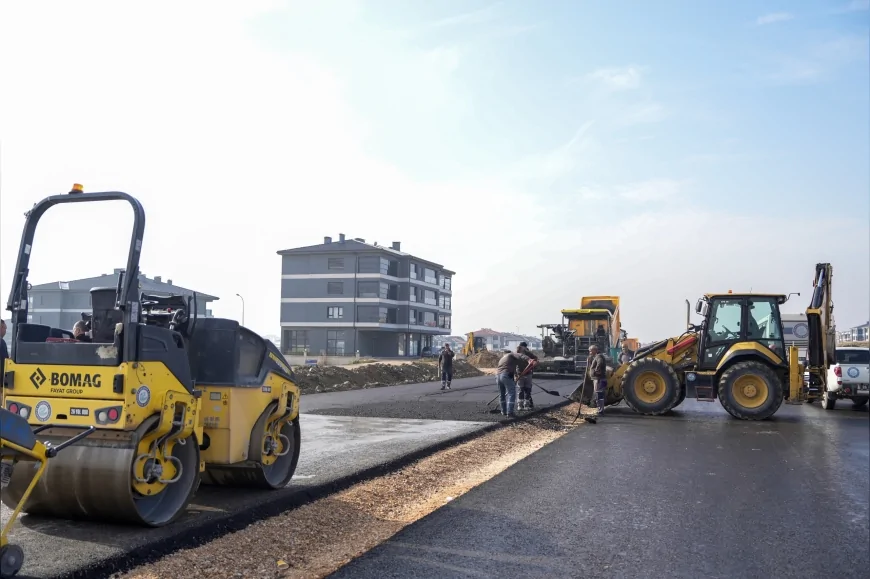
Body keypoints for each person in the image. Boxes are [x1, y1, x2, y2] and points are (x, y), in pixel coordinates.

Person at [496, 349, 535, 417]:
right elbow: (520, 355)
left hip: (498, 376)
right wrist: (529, 359)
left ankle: (503, 411)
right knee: (511, 393)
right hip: (506, 374)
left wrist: (513, 378)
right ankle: (510, 412)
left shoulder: (502, 358)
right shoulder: (511, 355)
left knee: (501, 394)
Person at [515, 341, 539, 410]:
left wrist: (534, 362)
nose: (522, 348)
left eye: (523, 347)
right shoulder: (517, 354)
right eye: (521, 347)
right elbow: (514, 365)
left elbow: (535, 358)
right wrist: (516, 375)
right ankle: (520, 405)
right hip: (520, 374)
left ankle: (527, 405)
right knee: (521, 389)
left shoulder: (528, 353)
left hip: (528, 373)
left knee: (528, 390)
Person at [588, 344, 608, 414]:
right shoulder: (597, 356)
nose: (590, 352)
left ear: (594, 350)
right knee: (601, 394)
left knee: (599, 394)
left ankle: (600, 410)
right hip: (602, 379)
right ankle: (601, 409)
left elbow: (600, 362)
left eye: (590, 351)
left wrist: (596, 371)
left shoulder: (598, 356)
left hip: (599, 379)